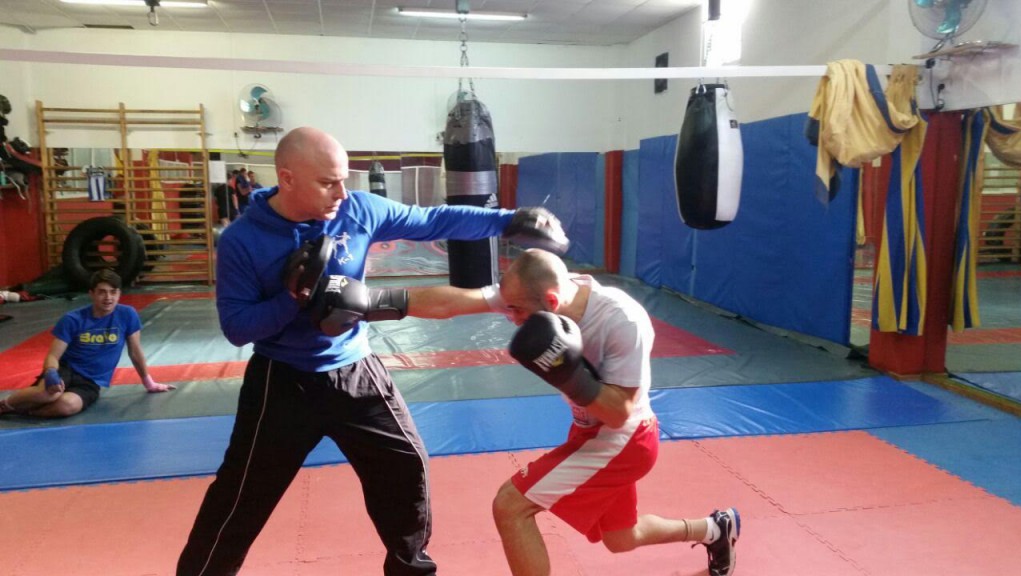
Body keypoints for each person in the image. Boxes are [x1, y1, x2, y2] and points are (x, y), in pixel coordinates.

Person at [176, 126, 568, 576]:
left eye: (344, 179)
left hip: (356, 372)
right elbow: (237, 328)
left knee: (407, 471)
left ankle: (410, 570)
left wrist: (510, 220)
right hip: (281, 382)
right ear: (286, 178)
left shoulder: (357, 209)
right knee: (239, 498)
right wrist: (293, 299)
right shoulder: (243, 240)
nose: (341, 192)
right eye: (327, 182)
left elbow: (432, 220)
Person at [398, 249, 741, 576]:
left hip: (624, 439)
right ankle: (715, 529)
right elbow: (451, 301)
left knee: (510, 506)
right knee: (622, 538)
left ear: (550, 302)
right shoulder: (532, 290)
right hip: (587, 430)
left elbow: (619, 413)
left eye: (517, 311)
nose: (512, 318)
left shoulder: (622, 321)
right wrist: (377, 304)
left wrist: (570, 374)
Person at [0, 269, 175, 419]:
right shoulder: (73, 319)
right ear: (91, 293)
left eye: (113, 292)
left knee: (67, 406)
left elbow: (135, 352)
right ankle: (4, 405)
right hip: (67, 369)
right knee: (47, 393)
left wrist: (149, 383)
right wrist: (51, 372)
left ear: (119, 294)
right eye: (102, 292)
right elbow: (53, 355)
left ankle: (26, 412)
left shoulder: (127, 315)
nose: (108, 297)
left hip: (90, 381)